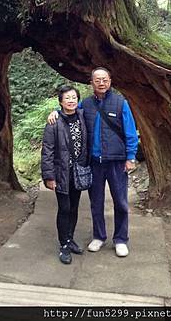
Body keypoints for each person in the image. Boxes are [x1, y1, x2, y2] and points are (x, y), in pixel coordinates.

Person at [48, 67, 138, 258]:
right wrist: (55, 112)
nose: (101, 83)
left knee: (121, 202)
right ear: (91, 83)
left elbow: (130, 131)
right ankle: (99, 236)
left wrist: (130, 157)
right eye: (97, 80)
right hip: (93, 163)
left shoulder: (121, 103)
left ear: (110, 81)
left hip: (116, 161)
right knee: (96, 202)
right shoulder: (85, 105)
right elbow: (69, 111)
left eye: (105, 79)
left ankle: (121, 239)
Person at [41, 85, 88, 265]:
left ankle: (71, 238)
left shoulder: (83, 117)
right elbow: (47, 151)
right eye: (67, 98)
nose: (71, 100)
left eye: (74, 97)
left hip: (78, 172)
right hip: (61, 173)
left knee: (74, 207)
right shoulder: (54, 122)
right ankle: (64, 245)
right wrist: (49, 177)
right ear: (60, 102)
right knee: (65, 208)